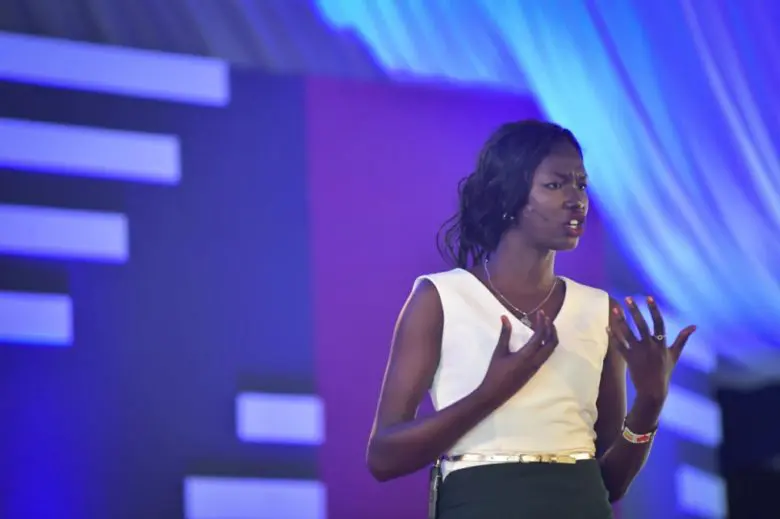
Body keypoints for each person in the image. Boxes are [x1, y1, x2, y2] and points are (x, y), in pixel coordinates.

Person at [365, 120, 697, 519]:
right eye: (556, 185)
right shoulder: (440, 298)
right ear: (511, 196)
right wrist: (491, 392)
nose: (577, 199)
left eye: (581, 184)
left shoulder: (598, 310)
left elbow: (610, 484)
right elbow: (384, 458)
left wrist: (650, 402)